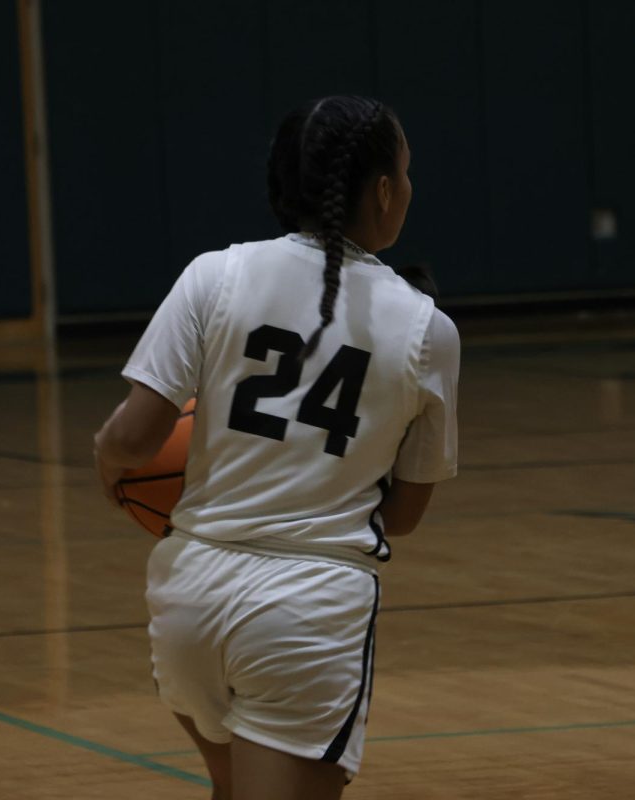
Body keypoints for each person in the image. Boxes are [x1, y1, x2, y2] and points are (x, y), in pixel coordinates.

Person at [93, 95, 459, 800]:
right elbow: (405, 515)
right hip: (307, 609)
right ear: (383, 191)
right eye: (406, 173)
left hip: (188, 594)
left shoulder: (214, 274)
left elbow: (134, 438)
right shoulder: (426, 330)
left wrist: (108, 465)